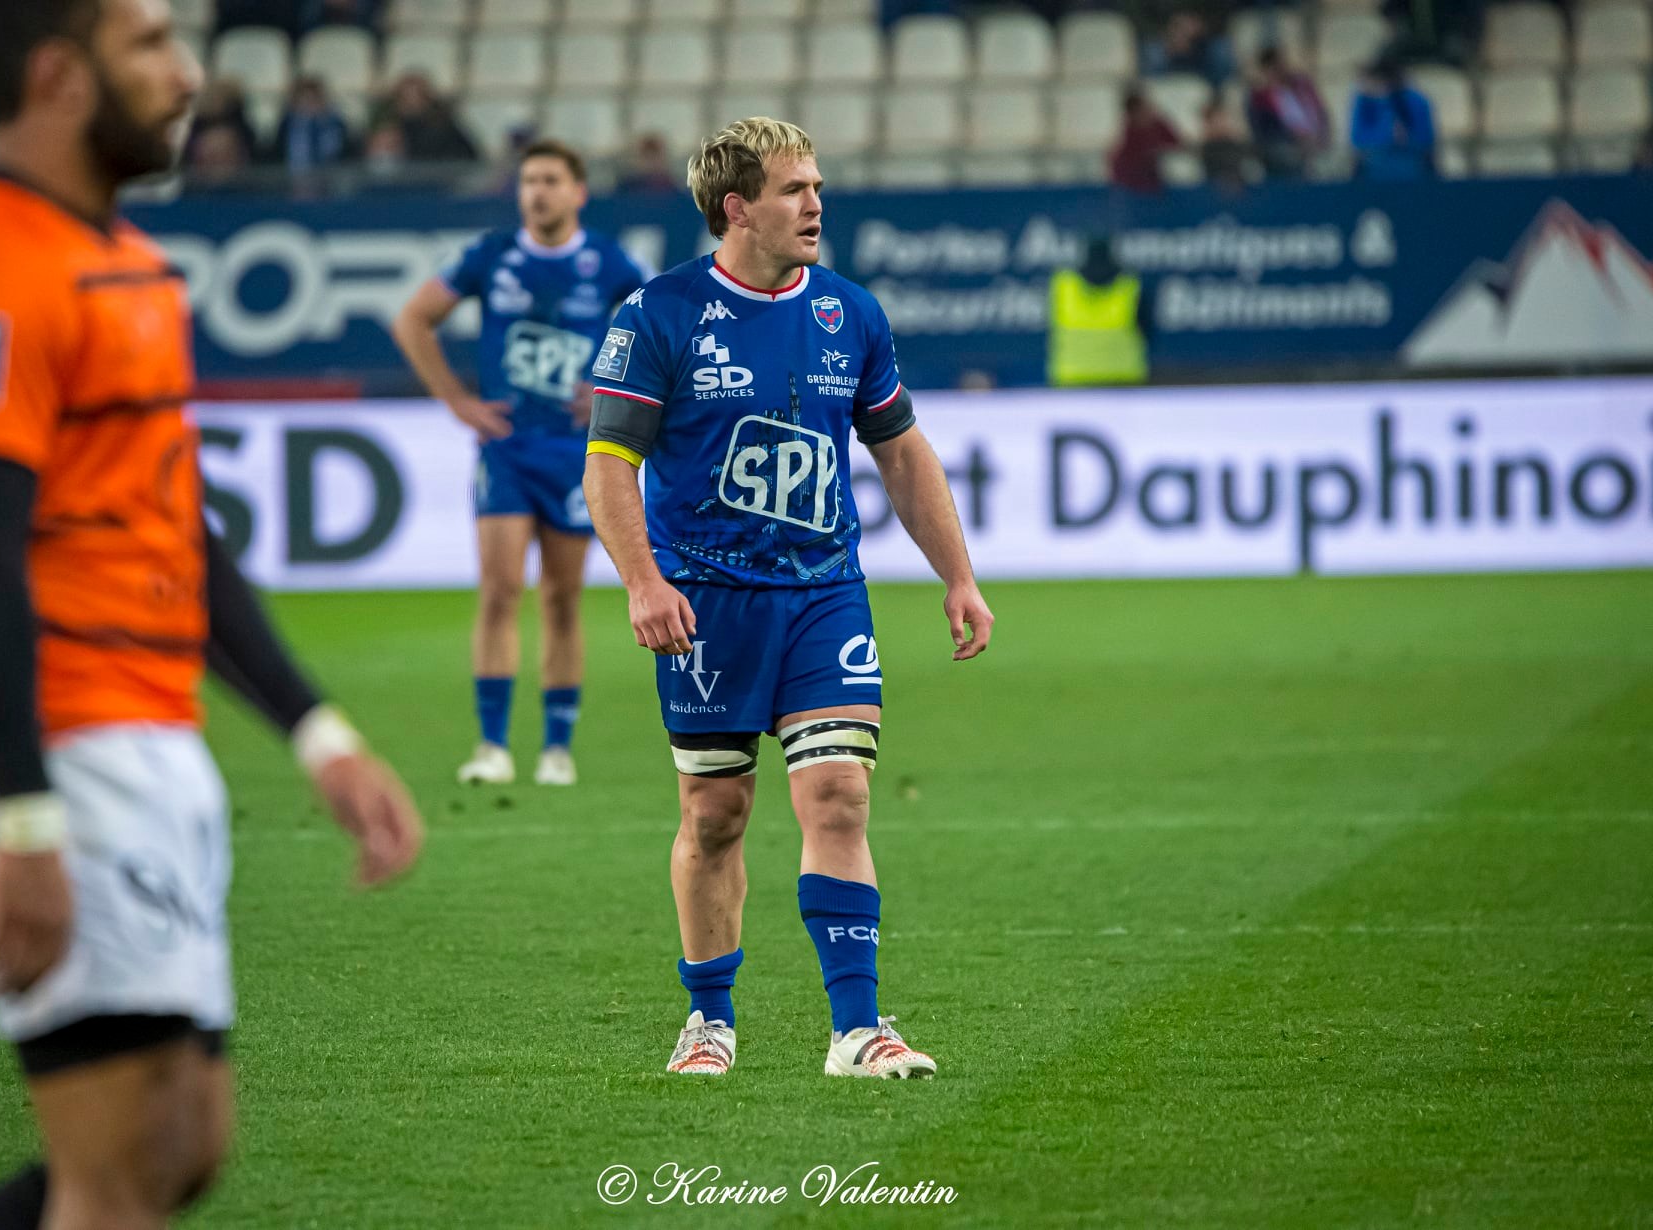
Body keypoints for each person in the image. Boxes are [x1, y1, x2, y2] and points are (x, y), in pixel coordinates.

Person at [0, 3, 425, 1228]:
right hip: (49, 753)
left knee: (177, 1146)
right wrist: (25, 816)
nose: (189, 77)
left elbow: (180, 527)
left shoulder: (126, 262)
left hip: (141, 734)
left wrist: (317, 735)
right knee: (120, 1175)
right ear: (64, 76)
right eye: (153, 47)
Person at [583, 117, 995, 1078]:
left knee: (839, 794)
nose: (816, 204)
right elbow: (608, 466)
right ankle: (709, 1021)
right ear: (737, 209)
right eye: (794, 190)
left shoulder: (850, 312)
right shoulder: (657, 315)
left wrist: (958, 575)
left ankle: (857, 1031)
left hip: (823, 597)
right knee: (715, 815)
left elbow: (900, 451)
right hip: (705, 607)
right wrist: (643, 581)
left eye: (817, 186)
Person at [391, 139, 648, 787]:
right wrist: (456, 401)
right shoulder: (492, 255)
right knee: (500, 589)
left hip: (572, 453)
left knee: (561, 598)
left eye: (551, 180)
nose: (537, 191)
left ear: (577, 192)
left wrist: (616, 388)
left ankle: (557, 747)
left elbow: (662, 326)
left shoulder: (608, 261)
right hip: (505, 447)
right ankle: (493, 746)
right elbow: (414, 320)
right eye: (529, 180)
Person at [1047, 235, 1155, 387]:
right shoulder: (1129, 286)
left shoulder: (1064, 285)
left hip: (1073, 381)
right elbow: (1147, 330)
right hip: (1123, 380)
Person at [1245, 45, 1328, 181]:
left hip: (1316, 145)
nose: (1281, 70)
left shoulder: (1302, 86)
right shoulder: (1259, 98)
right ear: (1266, 70)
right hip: (1286, 151)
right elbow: (1263, 134)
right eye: (1276, 68)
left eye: (1283, 65)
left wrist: (1321, 137)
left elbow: (1321, 113)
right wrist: (1297, 140)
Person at [1350, 56, 1437, 181]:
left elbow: (1426, 139)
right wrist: (1388, 133)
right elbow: (1357, 139)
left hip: (1413, 169)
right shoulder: (1363, 101)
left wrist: (1406, 138)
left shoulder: (1416, 100)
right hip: (1374, 171)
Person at [379, 72, 480, 164]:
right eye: (406, 98)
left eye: (418, 96)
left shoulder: (446, 129)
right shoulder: (383, 129)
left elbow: (468, 159)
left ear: (428, 98)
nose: (412, 103)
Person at [266, 75, 350, 175]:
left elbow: (347, 157)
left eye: (314, 99)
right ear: (294, 103)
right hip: (294, 180)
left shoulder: (337, 126)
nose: (309, 105)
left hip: (331, 181)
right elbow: (276, 156)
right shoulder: (285, 126)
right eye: (304, 100)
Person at [1110, 86, 1183, 195]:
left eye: (1147, 107)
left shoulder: (1158, 124)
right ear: (1132, 114)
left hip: (1158, 182)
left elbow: (1177, 143)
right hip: (1134, 185)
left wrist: (1161, 150)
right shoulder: (1130, 133)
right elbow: (1128, 161)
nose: (1148, 111)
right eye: (1142, 110)